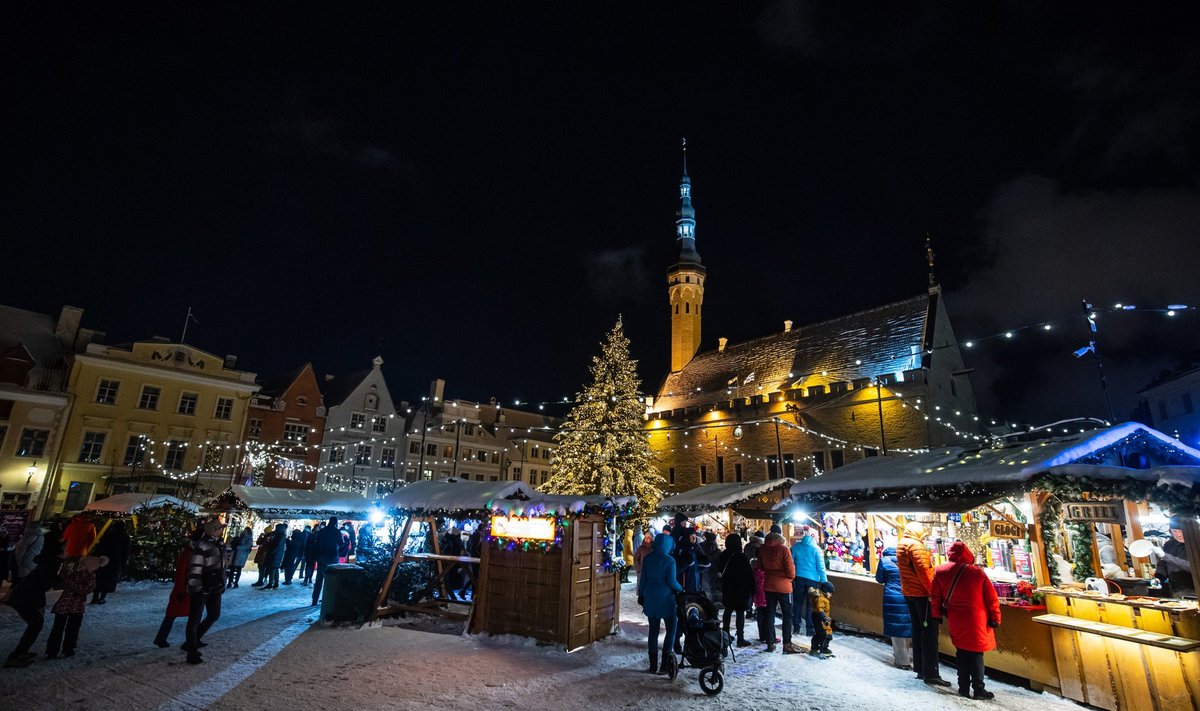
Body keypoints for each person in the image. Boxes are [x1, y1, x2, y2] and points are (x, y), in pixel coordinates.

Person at [930, 541, 1001, 700]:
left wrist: (936, 615)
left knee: (961, 652)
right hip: (976, 619)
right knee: (976, 654)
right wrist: (996, 618)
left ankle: (963, 687)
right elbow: (991, 598)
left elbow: (935, 597)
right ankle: (978, 689)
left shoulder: (940, 571)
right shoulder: (977, 572)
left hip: (956, 618)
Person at [896, 522, 949, 686]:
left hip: (909, 593)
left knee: (918, 631)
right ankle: (931, 673)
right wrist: (933, 594)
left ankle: (920, 668)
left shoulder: (902, 543)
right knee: (929, 634)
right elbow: (925, 572)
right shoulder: (916, 546)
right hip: (922, 595)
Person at [3, 545, 62, 667]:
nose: (68, 551)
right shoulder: (51, 564)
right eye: (66, 549)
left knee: (36, 624)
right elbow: (46, 583)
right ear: (57, 553)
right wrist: (60, 580)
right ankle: (16, 656)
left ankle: (21, 652)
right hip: (24, 598)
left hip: (26, 597)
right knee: (36, 624)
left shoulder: (49, 563)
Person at [638, 533, 683, 675]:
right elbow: (671, 581)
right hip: (666, 600)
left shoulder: (648, 559)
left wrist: (641, 595)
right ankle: (665, 664)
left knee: (653, 631)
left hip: (650, 598)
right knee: (671, 630)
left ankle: (652, 666)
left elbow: (643, 579)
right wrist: (681, 589)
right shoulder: (670, 560)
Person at [184, 519, 227, 664]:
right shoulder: (202, 546)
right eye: (220, 529)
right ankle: (191, 651)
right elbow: (195, 568)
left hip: (215, 587)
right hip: (202, 588)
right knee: (194, 620)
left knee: (214, 615)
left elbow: (221, 566)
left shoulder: (219, 544)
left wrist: (222, 583)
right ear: (213, 530)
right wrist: (196, 588)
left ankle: (194, 640)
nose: (222, 531)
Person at [46, 555, 107, 658]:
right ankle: (60, 650)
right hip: (71, 605)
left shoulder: (87, 576)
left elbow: (84, 588)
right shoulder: (80, 575)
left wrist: (71, 585)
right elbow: (80, 588)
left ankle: (62, 650)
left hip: (70, 605)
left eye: (84, 564)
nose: (81, 566)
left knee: (67, 628)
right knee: (64, 628)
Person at [759, 529, 801, 653]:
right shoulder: (784, 549)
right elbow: (790, 570)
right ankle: (787, 643)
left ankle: (770, 643)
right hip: (783, 586)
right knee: (787, 615)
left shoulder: (762, 549)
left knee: (769, 614)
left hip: (768, 585)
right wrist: (790, 577)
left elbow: (760, 567)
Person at [875, 545, 914, 669]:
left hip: (891, 596)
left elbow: (879, 579)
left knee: (895, 629)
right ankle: (907, 656)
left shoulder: (884, 560)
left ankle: (902, 661)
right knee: (906, 626)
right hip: (907, 594)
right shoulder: (906, 560)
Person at [717, 533, 755, 647]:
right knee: (740, 612)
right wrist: (752, 589)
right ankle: (740, 638)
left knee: (727, 610)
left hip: (728, 587)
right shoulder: (741, 556)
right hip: (741, 588)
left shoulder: (723, 555)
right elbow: (748, 574)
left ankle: (726, 633)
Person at [155, 540, 194, 647]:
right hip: (184, 590)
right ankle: (190, 640)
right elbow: (181, 572)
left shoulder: (191, 553)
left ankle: (161, 638)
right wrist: (182, 589)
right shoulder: (189, 554)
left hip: (185, 589)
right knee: (175, 614)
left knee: (174, 614)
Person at [790, 527, 827, 637]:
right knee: (811, 605)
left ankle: (796, 627)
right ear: (814, 538)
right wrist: (825, 583)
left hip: (799, 578)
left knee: (798, 603)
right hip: (813, 581)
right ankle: (810, 629)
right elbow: (821, 568)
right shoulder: (817, 549)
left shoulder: (795, 547)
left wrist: (792, 578)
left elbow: (791, 564)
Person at [91, 519, 131, 604]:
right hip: (115, 560)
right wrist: (124, 561)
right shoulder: (124, 536)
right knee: (109, 579)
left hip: (103, 558)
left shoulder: (108, 534)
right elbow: (126, 550)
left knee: (100, 578)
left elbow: (100, 546)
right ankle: (102, 597)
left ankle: (95, 597)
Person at [1154, 517, 1195, 597]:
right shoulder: (1169, 544)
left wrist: (1166, 556)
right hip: (1174, 590)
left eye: (1181, 531)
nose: (1179, 534)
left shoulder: (1196, 544)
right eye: (1175, 531)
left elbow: (1193, 567)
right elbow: (1163, 564)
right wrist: (1158, 578)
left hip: (1194, 591)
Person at [311, 516, 342, 606]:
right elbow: (341, 543)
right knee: (331, 580)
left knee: (319, 580)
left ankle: (315, 600)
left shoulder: (322, 531)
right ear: (336, 522)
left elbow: (317, 544)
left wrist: (317, 556)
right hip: (332, 558)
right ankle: (328, 599)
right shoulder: (337, 532)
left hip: (322, 558)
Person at [808, 580, 835, 658]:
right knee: (826, 634)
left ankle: (814, 647)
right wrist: (824, 618)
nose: (831, 595)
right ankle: (824, 648)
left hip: (818, 617)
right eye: (830, 593)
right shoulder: (821, 599)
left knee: (818, 633)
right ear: (826, 591)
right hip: (820, 618)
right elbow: (820, 609)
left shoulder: (822, 598)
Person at [262, 523, 288, 589]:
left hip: (276, 554)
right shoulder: (280, 535)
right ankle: (275, 583)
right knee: (275, 568)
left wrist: (271, 552)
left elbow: (276, 545)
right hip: (278, 554)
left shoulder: (280, 535)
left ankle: (271, 583)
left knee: (272, 568)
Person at [698, 531, 721, 602]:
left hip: (702, 569)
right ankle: (710, 604)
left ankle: (706, 603)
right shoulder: (715, 547)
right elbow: (718, 560)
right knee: (711, 588)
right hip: (712, 570)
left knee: (703, 588)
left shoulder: (700, 545)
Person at [751, 557, 770, 643]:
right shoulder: (762, 573)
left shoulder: (752, 574)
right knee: (767, 617)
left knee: (760, 616)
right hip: (765, 596)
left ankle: (762, 635)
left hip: (758, 598)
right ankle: (768, 636)